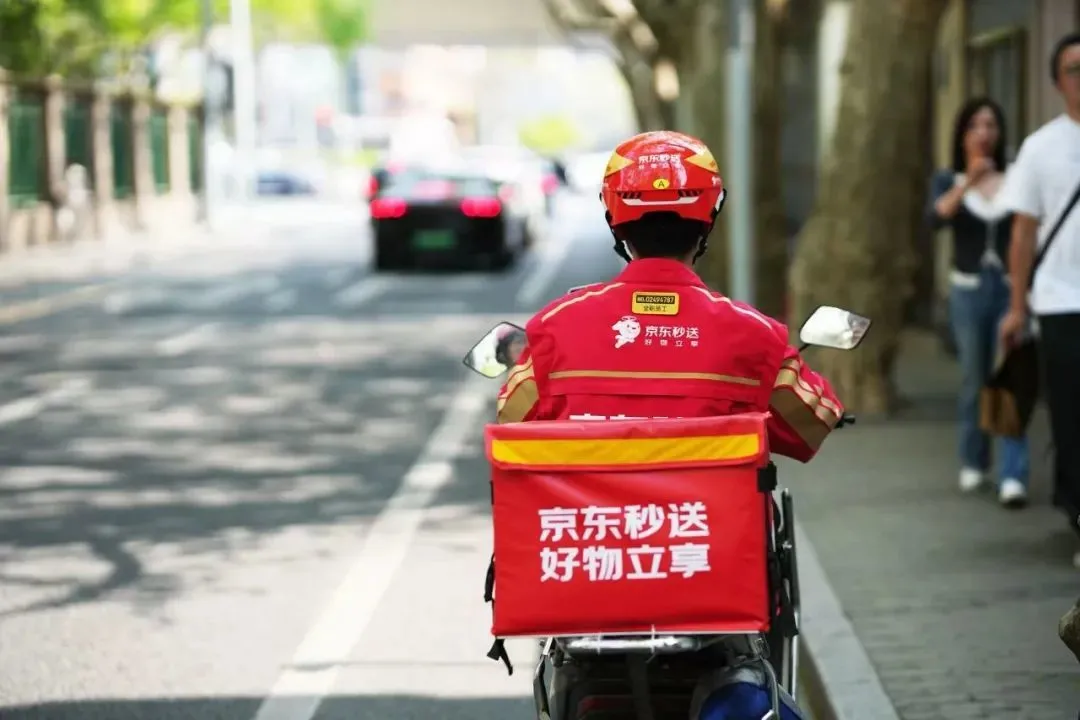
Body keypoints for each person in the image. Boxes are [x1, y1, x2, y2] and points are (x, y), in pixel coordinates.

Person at [493, 129, 836, 720]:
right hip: (711, 584)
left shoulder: (557, 326)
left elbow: (513, 420)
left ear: (614, 219)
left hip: (586, 583)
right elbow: (813, 424)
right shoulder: (752, 335)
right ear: (709, 219)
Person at [927, 97, 1030, 507]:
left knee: (1009, 377)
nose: (983, 133)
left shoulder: (1017, 177)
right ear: (962, 135)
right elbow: (935, 219)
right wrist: (967, 182)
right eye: (974, 126)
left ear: (1000, 133)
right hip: (967, 291)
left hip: (1007, 288)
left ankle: (1012, 473)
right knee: (975, 379)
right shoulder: (948, 179)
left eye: (990, 125)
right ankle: (974, 460)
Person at [1000, 32, 1080, 555]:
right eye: (1075, 69)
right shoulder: (1041, 147)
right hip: (1060, 303)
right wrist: (1016, 306)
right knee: (1070, 417)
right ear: (1057, 82)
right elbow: (1023, 233)